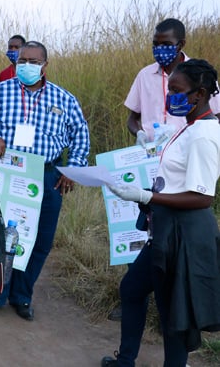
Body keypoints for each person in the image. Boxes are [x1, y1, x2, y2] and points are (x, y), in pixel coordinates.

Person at [102, 59, 220, 367]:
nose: (171, 97)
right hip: (166, 230)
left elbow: (202, 196)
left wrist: (146, 195)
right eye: (170, 89)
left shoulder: (204, 136)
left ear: (200, 94)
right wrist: (155, 145)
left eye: (178, 91)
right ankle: (125, 359)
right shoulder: (190, 128)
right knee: (132, 289)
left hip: (184, 237)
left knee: (173, 318)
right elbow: (179, 176)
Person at [0, 40, 90, 321]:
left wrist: (72, 169)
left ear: (45, 65)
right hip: (5, 174)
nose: (26, 66)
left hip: (46, 175)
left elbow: (80, 135)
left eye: (33, 62)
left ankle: (22, 296)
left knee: (39, 240)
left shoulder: (64, 99)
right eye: (22, 60)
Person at [125, 18, 220, 147]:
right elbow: (132, 119)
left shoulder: (200, 74)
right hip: (152, 153)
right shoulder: (144, 76)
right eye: (155, 44)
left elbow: (216, 116)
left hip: (188, 149)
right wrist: (139, 133)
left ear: (180, 45)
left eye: (166, 44)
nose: (159, 49)